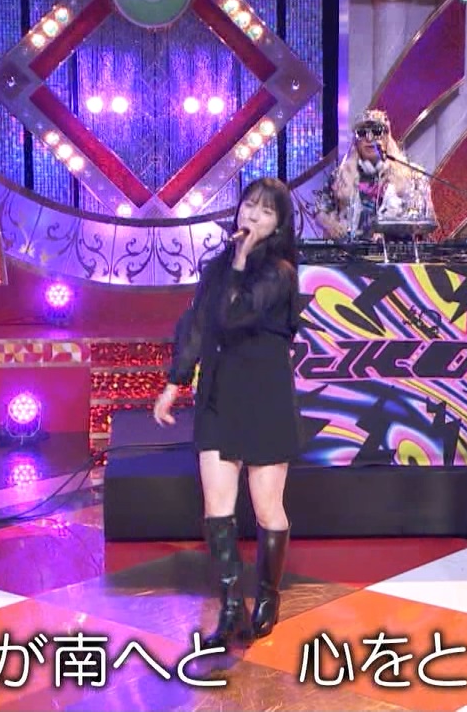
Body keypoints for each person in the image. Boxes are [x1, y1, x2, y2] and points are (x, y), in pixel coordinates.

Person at [153, 177, 306, 649]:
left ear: (279, 224)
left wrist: (240, 262)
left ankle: (267, 597)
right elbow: (198, 325)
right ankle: (231, 606)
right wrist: (175, 383)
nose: (252, 216)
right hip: (219, 392)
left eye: (265, 211)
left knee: (267, 507)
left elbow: (239, 314)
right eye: (248, 206)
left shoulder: (280, 273)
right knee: (216, 508)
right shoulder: (217, 268)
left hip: (265, 395)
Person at [314, 109, 429, 241]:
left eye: (376, 131)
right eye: (362, 133)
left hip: (394, 251)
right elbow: (320, 211)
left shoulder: (411, 176)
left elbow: (423, 220)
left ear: (386, 137)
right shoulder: (340, 175)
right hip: (351, 251)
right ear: (356, 141)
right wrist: (329, 224)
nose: (369, 138)